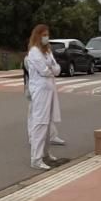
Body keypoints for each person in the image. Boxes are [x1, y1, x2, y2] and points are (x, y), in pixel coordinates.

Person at [24, 24, 63, 169]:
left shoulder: (47, 51)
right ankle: (36, 158)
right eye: (44, 35)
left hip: (50, 90)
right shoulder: (34, 52)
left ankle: (45, 154)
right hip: (40, 91)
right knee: (40, 123)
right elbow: (44, 71)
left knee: (47, 124)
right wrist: (51, 68)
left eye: (48, 34)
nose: (47, 37)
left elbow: (57, 69)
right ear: (38, 35)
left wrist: (51, 68)